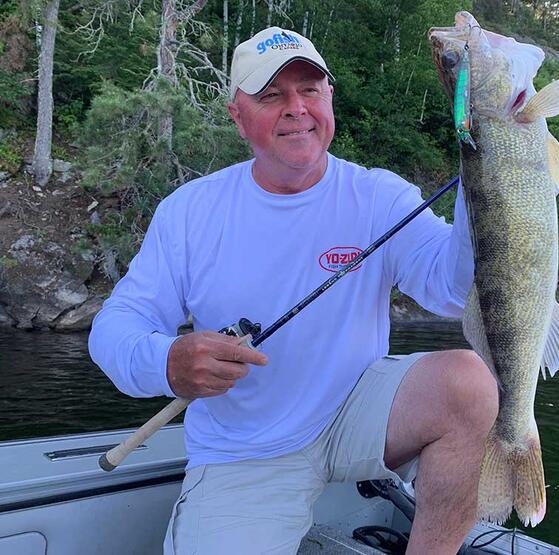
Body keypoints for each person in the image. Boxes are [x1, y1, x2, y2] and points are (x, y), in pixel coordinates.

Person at [88, 25, 499, 555]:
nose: (296, 108)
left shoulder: (378, 195)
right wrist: (166, 360)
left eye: (310, 89)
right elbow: (114, 328)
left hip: (355, 413)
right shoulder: (191, 212)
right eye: (271, 95)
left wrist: (487, 175)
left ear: (329, 99)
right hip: (245, 450)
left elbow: (453, 288)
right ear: (239, 116)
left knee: (469, 381)